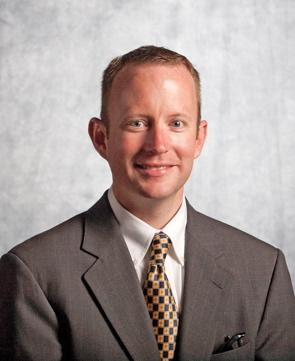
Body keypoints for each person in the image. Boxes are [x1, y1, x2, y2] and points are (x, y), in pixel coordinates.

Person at [0, 46, 294, 361]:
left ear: (199, 137)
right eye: (137, 123)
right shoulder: (33, 274)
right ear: (101, 138)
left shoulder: (264, 270)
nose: (158, 145)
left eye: (177, 123)